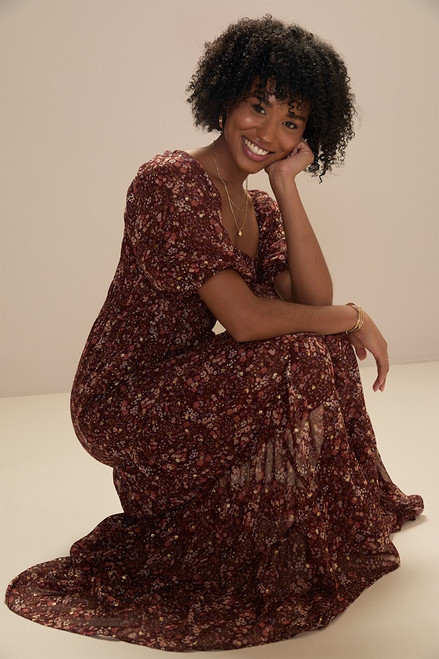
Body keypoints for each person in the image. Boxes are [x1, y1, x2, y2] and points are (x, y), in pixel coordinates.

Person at [6, 15, 423, 652]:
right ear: (225, 97)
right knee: (312, 347)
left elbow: (310, 302)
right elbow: (249, 320)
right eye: (258, 106)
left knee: (320, 344)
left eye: (292, 122)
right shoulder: (170, 182)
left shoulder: (258, 206)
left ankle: (282, 514)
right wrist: (354, 317)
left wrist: (285, 186)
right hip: (124, 396)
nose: (269, 133)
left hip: (193, 375)